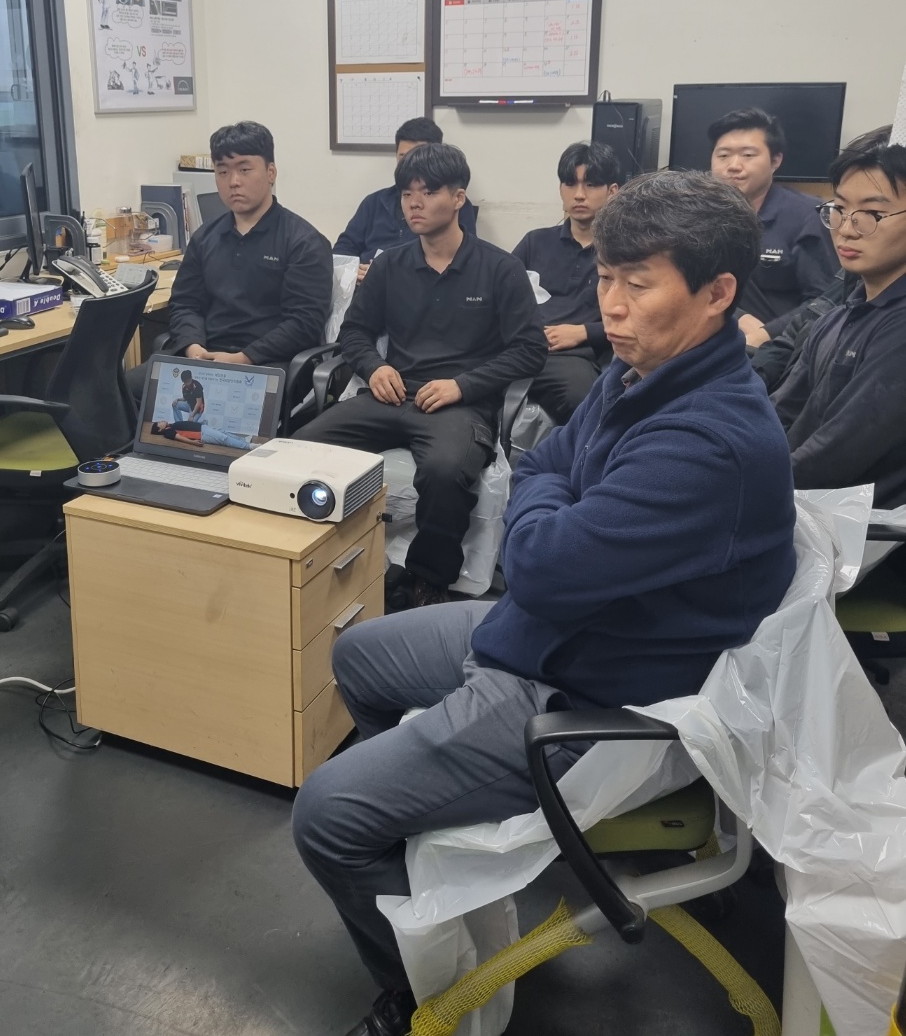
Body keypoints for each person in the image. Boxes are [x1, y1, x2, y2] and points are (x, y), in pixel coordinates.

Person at [292, 170, 797, 1036]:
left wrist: (547, 510)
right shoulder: (643, 370)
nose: (612, 305)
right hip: (556, 629)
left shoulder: (710, 438)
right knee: (357, 654)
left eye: (638, 284)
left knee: (326, 815)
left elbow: (536, 561)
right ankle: (425, 843)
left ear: (717, 293)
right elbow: (547, 460)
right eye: (605, 278)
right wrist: (550, 503)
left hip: (587, 688)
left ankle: (426, 997)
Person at [296, 142, 546, 609]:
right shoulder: (390, 264)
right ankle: (319, 561)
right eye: (407, 193)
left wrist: (463, 385)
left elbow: (530, 351)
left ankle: (429, 581)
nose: (414, 203)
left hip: (459, 405)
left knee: (445, 473)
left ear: (458, 198)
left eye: (429, 192)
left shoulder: (500, 269)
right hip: (391, 394)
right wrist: (374, 367)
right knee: (300, 447)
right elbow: (354, 333)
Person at [128, 121, 332, 399]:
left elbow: (304, 323)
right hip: (204, 357)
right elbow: (185, 303)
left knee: (217, 406)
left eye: (244, 170)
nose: (233, 181)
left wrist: (244, 357)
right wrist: (192, 346)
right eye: (223, 172)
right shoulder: (205, 237)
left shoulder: (303, 241)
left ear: (271, 172)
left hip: (268, 363)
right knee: (120, 393)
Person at [772, 126, 906, 506]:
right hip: (801, 503)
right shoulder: (840, 315)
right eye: (841, 209)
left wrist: (744, 483)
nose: (846, 229)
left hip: (866, 529)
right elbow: (780, 411)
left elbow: (837, 454)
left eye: (873, 214)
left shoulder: (899, 328)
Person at [708, 106, 837, 346]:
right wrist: (739, 317)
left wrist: (767, 334)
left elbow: (826, 300)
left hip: (784, 347)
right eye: (723, 155)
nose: (733, 165)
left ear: (775, 160)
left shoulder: (805, 216)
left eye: (748, 155)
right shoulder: (698, 214)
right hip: (714, 337)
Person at [512, 139, 620, 423]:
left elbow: (638, 318)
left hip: (573, 356)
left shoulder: (623, 253)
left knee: (585, 403)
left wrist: (584, 332)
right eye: (570, 184)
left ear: (612, 192)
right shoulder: (535, 242)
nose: (579, 195)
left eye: (591, 185)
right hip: (520, 348)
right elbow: (498, 295)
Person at [334, 117, 477, 280]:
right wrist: (352, 272)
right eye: (403, 157)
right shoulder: (374, 202)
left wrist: (387, 273)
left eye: (417, 155)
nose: (410, 163)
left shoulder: (452, 204)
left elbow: (460, 258)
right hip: (366, 283)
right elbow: (343, 250)